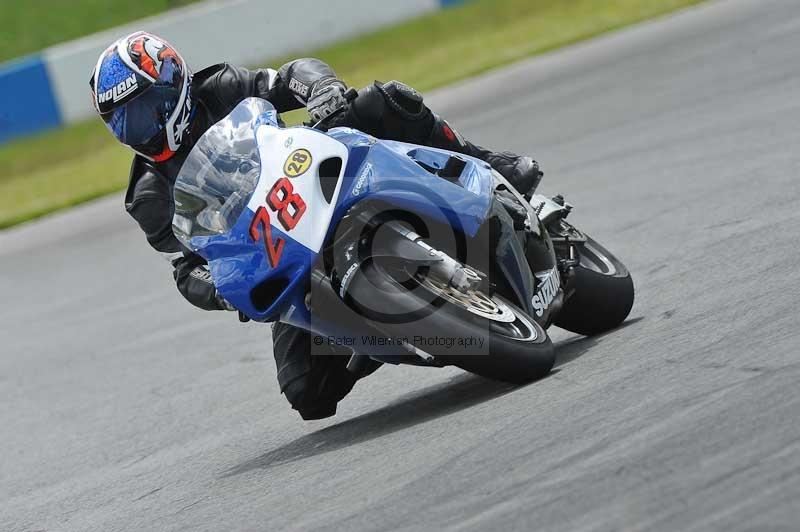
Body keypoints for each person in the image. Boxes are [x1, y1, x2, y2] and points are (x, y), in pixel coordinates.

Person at [90, 31, 543, 420]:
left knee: (379, 101)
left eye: (147, 108)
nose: (139, 128)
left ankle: (489, 164)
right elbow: (186, 268)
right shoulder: (148, 197)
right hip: (275, 250)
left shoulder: (220, 87)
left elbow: (289, 76)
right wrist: (220, 289)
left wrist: (321, 88)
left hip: (309, 178)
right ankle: (382, 328)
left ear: (174, 86)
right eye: (123, 121)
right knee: (308, 393)